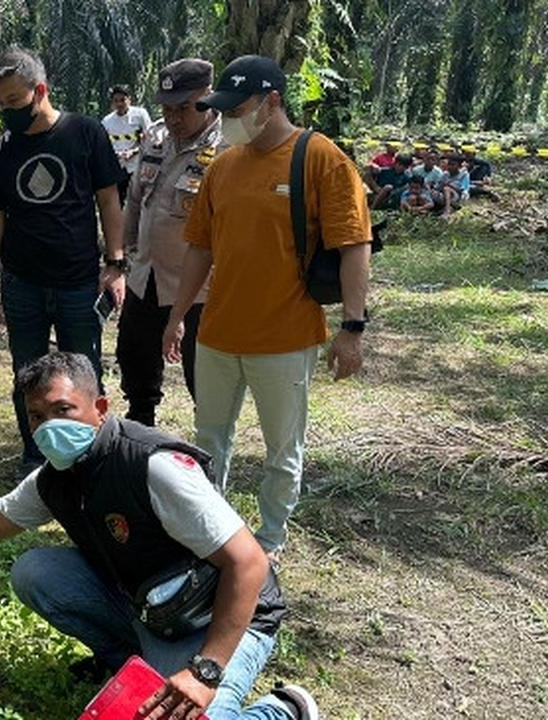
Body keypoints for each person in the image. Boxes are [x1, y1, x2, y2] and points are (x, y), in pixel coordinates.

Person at [0, 352, 318, 720]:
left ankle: (284, 710)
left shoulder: (151, 466)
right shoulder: (56, 477)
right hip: (150, 608)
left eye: (63, 410)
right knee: (36, 572)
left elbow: (249, 562)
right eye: (37, 416)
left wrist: (205, 671)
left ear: (100, 409)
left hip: (212, 620)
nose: (49, 427)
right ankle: (127, 661)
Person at [161, 55, 372, 555]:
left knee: (282, 450)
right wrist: (177, 317)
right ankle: (212, 532)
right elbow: (201, 247)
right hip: (217, 333)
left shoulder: (321, 159)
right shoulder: (224, 166)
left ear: (272, 101)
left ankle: (270, 538)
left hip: (285, 338)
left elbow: (354, 246)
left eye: (238, 108)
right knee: (208, 441)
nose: (228, 118)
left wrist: (353, 328)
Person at [0, 46, 128, 477]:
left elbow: (109, 201)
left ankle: (88, 457)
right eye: (1, 104)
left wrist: (115, 264)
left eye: (14, 102)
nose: (6, 112)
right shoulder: (3, 151)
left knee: (84, 373)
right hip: (22, 283)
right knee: (28, 375)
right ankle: (36, 457)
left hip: (78, 281)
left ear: (39, 90)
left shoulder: (84, 133)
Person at [117, 58, 223, 427]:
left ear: (207, 98)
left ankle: (210, 434)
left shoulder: (227, 149)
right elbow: (133, 200)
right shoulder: (157, 137)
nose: (174, 118)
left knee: (203, 372)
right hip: (145, 273)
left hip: (199, 287)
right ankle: (140, 423)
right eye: (167, 108)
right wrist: (122, 255)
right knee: (134, 355)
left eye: (183, 108)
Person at [101, 85, 153, 206]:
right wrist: (115, 154)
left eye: (122, 100)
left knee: (138, 200)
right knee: (118, 200)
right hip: (117, 165)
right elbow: (104, 145)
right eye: (116, 101)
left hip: (137, 164)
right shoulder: (107, 121)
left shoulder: (140, 115)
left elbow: (150, 138)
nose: (119, 104)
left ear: (129, 99)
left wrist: (134, 151)